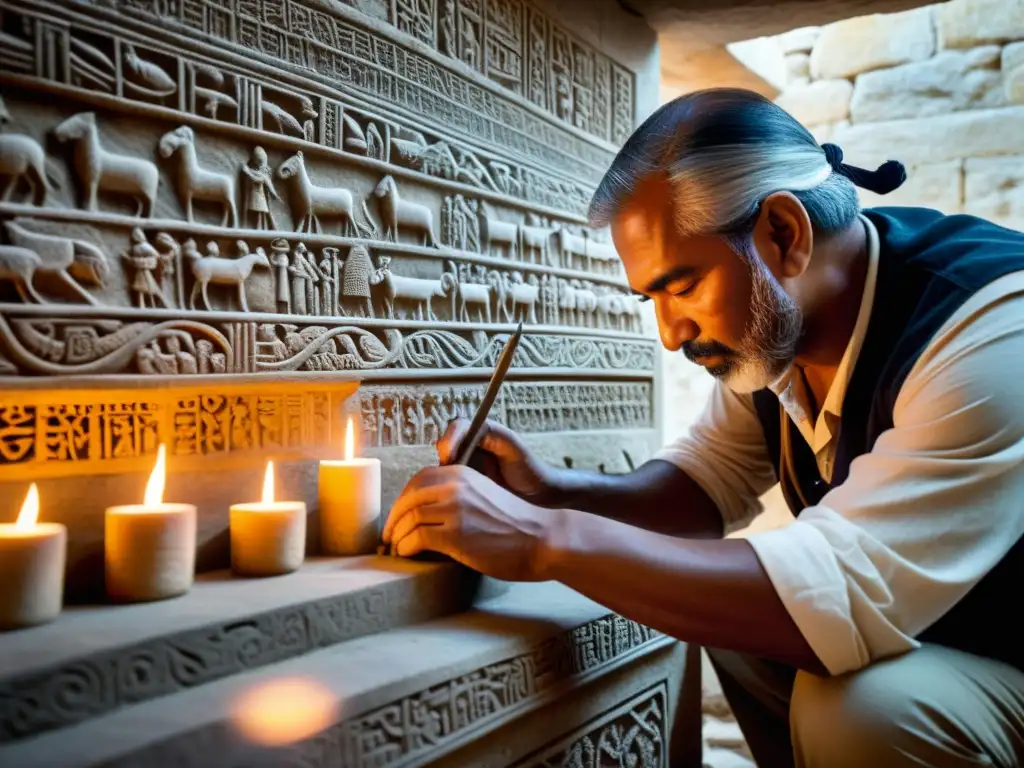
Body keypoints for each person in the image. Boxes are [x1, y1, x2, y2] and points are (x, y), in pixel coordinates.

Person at [382, 88, 1024, 767]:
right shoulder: (784, 327)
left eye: (682, 286)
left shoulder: (986, 332)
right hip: (948, 639)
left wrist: (542, 539)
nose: (669, 333)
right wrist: (547, 494)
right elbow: (698, 492)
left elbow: (833, 598)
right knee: (721, 614)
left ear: (784, 233)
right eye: (651, 298)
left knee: (859, 710)